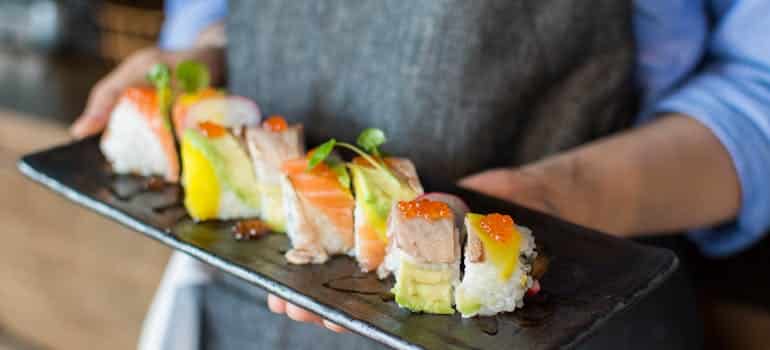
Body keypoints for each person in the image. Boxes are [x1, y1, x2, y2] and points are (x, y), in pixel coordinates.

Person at [70, 0, 770, 349]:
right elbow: (215, 13)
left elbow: (758, 92)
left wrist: (557, 199)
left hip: (569, 319)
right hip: (254, 315)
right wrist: (206, 60)